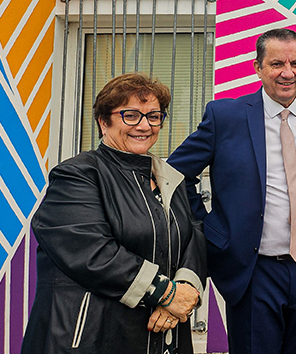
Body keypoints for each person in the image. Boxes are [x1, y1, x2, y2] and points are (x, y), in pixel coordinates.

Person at [167, 28, 296, 354]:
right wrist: (207, 228)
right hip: (253, 272)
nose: (288, 73)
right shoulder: (225, 117)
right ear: (258, 68)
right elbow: (175, 174)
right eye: (277, 64)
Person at [22, 73, 205, 354]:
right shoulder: (78, 175)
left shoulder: (170, 179)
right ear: (103, 122)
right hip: (91, 338)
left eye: (154, 116)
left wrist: (185, 288)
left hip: (161, 337)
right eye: (130, 115)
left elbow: (194, 236)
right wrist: (166, 294)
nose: (144, 125)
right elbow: (90, 251)